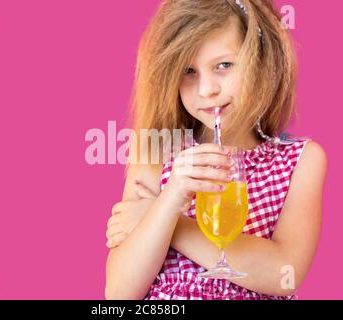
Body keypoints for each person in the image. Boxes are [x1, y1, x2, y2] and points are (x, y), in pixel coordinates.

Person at [105, 0, 327, 300]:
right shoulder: (156, 149)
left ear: (260, 62)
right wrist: (170, 199)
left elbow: (283, 275)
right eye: (189, 71)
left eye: (224, 65)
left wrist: (171, 224)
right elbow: (119, 295)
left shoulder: (299, 160)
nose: (207, 89)